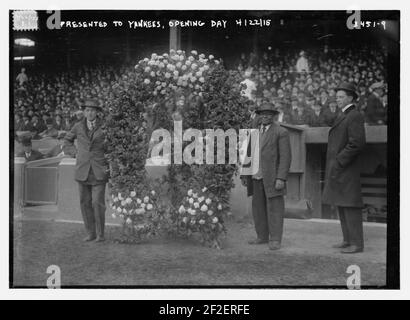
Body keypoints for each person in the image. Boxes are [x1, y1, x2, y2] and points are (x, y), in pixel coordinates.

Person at [241, 103, 292, 250]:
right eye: (262, 113)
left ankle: (275, 239)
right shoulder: (254, 132)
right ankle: (262, 236)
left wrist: (281, 178)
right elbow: (248, 155)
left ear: (274, 116)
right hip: (256, 177)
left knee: (275, 208)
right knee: (258, 208)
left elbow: (285, 158)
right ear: (259, 115)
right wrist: (245, 174)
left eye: (268, 114)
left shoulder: (281, 132)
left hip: (272, 178)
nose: (265, 116)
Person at [322, 82, 366, 254]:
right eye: (337, 96)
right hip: (340, 167)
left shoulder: (354, 115)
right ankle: (347, 240)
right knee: (342, 203)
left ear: (350, 97)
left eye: (341, 97)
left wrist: (339, 160)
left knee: (350, 205)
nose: (337, 99)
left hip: (346, 168)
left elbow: (357, 143)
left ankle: (357, 243)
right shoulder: (343, 115)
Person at [64, 99, 109, 242]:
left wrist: (107, 158)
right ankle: (90, 233)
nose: (90, 113)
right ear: (84, 112)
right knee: (85, 203)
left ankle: (100, 234)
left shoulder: (105, 127)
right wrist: (74, 152)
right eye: (87, 110)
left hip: (99, 170)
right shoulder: (77, 126)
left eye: (93, 110)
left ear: (97, 112)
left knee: (97, 203)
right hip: (82, 170)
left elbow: (112, 145)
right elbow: (66, 141)